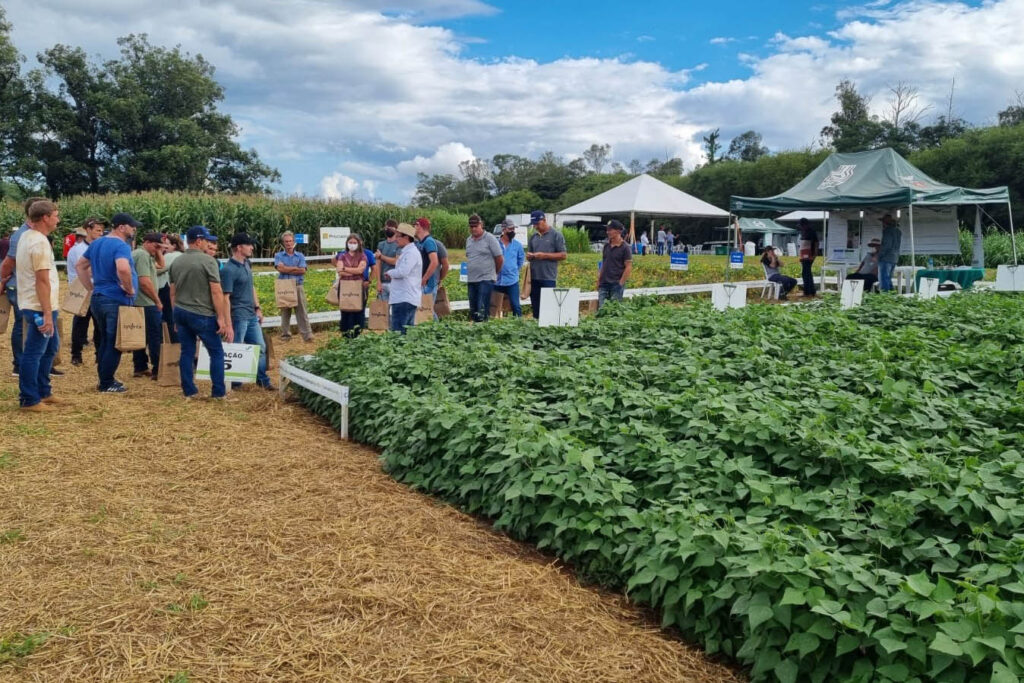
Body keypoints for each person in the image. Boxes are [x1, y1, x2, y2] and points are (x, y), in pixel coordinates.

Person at [76, 212, 141, 393]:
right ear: (122, 227)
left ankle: (104, 378)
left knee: (105, 339)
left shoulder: (96, 243)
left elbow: (80, 266)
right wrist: (129, 288)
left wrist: (90, 287)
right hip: (116, 299)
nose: (134, 229)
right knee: (115, 341)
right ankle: (106, 382)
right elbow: (122, 267)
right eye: (132, 226)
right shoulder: (121, 245)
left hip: (99, 298)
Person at [169, 225, 231, 399]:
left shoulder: (176, 261)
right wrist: (221, 317)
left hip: (181, 311)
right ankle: (218, 392)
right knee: (216, 352)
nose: (208, 243)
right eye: (206, 240)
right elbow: (216, 291)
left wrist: (175, 316)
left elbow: (172, 292)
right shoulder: (208, 261)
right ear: (198, 241)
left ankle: (189, 391)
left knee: (186, 352)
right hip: (202, 314)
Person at [15, 200, 61, 411]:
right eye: (55, 215)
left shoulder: (27, 236)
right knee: (34, 353)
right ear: (45, 217)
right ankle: (29, 398)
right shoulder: (40, 243)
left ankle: (44, 390)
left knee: (51, 348)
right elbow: (41, 280)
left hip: (36, 303)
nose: (58, 219)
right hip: (39, 306)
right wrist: (47, 314)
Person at [1, 197, 48, 377]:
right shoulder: (22, 234)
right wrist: (4, 281)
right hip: (20, 287)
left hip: (23, 286)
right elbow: (8, 263)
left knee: (26, 324)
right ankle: (19, 364)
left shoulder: (30, 233)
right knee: (22, 325)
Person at [221, 232, 273, 390]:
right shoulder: (228, 270)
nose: (252, 247)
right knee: (236, 349)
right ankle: (235, 382)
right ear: (239, 247)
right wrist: (228, 323)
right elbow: (225, 298)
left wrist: (257, 308)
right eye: (249, 244)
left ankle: (262, 380)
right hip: (238, 316)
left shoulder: (247, 264)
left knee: (260, 347)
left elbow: (251, 287)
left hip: (251, 315)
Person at [67, 218, 106, 365]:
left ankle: (99, 354)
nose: (100, 233)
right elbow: (85, 270)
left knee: (99, 325)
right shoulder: (78, 250)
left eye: (102, 231)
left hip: (96, 290)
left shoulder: (98, 247)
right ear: (88, 230)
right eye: (97, 230)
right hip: (82, 291)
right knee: (80, 325)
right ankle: (76, 354)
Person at [131, 233, 166, 379]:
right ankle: (158, 369)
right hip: (147, 303)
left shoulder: (144, 254)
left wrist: (157, 250)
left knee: (140, 336)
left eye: (160, 247)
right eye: (156, 246)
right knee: (155, 337)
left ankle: (140, 367)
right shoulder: (143, 255)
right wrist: (157, 301)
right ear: (146, 242)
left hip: (140, 302)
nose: (158, 249)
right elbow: (144, 282)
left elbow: (162, 265)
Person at [525, 210, 567, 318]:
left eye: (537, 224)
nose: (536, 226)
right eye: (534, 224)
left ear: (544, 220)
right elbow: (530, 253)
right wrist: (530, 256)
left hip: (548, 277)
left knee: (548, 309)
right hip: (534, 278)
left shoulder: (556, 235)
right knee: (536, 308)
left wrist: (544, 256)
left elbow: (563, 255)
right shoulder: (533, 237)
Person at [274, 231, 313, 342]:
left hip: (297, 285)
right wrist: (295, 268)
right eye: (286, 241)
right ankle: (285, 335)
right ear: (283, 243)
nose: (288, 243)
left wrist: (287, 268)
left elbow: (303, 271)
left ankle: (307, 335)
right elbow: (280, 268)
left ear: (294, 242)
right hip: (284, 285)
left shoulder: (300, 255)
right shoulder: (278, 255)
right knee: (285, 312)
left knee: (302, 311)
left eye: (290, 241)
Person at [465, 214, 503, 323]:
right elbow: (469, 257)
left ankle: (483, 332)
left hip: (486, 279)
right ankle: (477, 333)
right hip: (472, 279)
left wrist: (494, 273)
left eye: (475, 226)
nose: (473, 229)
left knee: (482, 308)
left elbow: (499, 258)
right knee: (473, 310)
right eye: (471, 227)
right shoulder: (469, 240)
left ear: (481, 224)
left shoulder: (490, 238)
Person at [388, 223, 422, 334]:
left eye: (398, 236)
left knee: (399, 332)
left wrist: (390, 272)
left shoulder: (411, 253)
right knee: (406, 332)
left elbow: (403, 272)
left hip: (404, 298)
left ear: (406, 237)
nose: (396, 239)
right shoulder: (407, 252)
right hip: (404, 297)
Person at [334, 233, 368, 336]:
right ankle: (345, 334)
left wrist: (345, 269)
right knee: (345, 311)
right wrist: (353, 270)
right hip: (344, 286)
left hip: (358, 287)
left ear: (359, 244)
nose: (352, 244)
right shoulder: (342, 256)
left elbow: (360, 270)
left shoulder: (363, 256)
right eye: (350, 242)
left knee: (358, 311)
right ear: (347, 243)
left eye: (354, 242)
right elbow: (339, 271)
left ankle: (357, 334)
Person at [596, 220, 632, 309]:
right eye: (607, 230)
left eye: (610, 230)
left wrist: (621, 283)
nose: (608, 232)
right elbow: (603, 264)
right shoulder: (606, 246)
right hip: (604, 284)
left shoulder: (625, 248)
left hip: (616, 284)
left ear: (618, 231)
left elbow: (628, 267)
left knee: (613, 311)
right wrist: (599, 280)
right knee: (602, 310)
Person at [494, 219, 526, 317]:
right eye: (510, 229)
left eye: (513, 229)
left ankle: (519, 325)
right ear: (503, 229)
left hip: (512, 281)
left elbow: (521, 260)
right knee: (494, 307)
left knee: (516, 305)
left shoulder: (517, 245)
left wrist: (513, 270)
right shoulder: (495, 244)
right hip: (496, 281)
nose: (513, 231)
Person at [157, 233, 184, 342]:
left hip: (165, 288)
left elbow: (159, 269)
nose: (164, 246)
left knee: (168, 318)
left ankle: (172, 342)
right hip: (179, 289)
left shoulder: (169, 256)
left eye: (166, 244)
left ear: (174, 245)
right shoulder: (182, 256)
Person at [414, 217, 440, 304]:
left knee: (427, 312)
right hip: (423, 283)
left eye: (415, 225)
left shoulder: (429, 241)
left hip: (428, 284)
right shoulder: (420, 242)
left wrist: (424, 278)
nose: (414, 227)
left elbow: (434, 262)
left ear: (419, 226)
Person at [374, 219, 400, 302]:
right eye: (386, 228)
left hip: (395, 282)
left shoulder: (399, 244)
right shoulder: (381, 244)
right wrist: (378, 281)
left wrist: (381, 256)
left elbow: (396, 261)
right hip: (383, 282)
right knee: (383, 311)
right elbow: (378, 264)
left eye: (390, 228)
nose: (388, 230)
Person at [878, 213, 902, 292]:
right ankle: (891, 295)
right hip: (894, 257)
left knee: (884, 278)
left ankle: (885, 296)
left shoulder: (887, 231)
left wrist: (880, 255)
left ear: (885, 223)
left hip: (886, 257)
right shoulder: (898, 232)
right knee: (888, 278)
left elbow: (886, 245)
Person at [798, 218, 819, 297]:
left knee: (806, 273)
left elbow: (816, 243)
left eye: (802, 226)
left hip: (809, 255)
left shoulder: (811, 232)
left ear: (805, 225)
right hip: (804, 255)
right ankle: (809, 291)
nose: (801, 227)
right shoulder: (803, 232)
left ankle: (809, 291)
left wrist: (814, 255)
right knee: (805, 273)